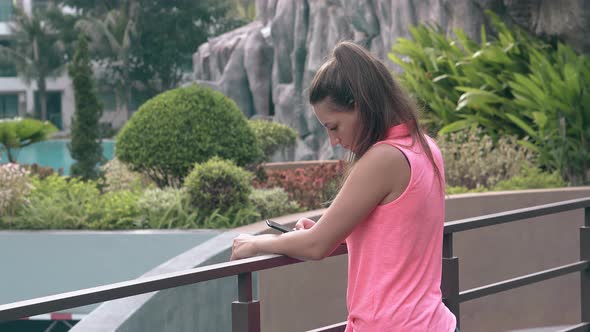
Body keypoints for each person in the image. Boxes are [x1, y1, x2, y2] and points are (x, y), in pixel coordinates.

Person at [230, 41, 458, 332]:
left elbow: (316, 246)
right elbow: (395, 234)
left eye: (334, 127)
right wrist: (331, 230)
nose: (334, 142)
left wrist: (255, 244)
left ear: (360, 105)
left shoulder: (384, 159)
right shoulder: (424, 146)